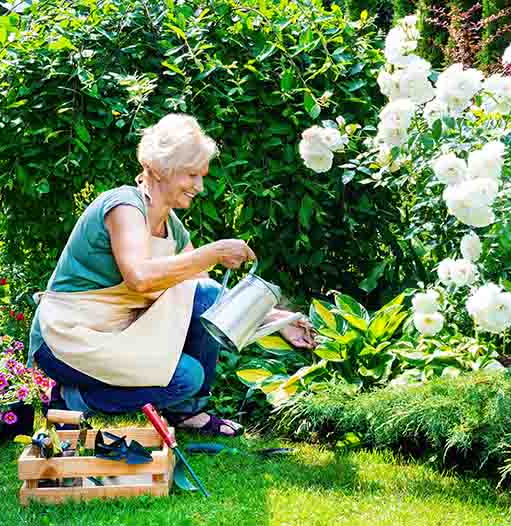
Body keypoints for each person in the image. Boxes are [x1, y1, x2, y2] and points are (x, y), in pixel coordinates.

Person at [27, 113, 315, 436]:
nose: (200, 186)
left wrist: (279, 319)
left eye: (201, 176)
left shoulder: (172, 229)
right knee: (185, 377)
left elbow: (203, 294)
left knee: (202, 296)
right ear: (163, 168)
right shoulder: (123, 206)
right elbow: (139, 277)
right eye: (191, 175)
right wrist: (212, 254)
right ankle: (73, 398)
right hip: (67, 338)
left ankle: (190, 412)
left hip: (117, 335)